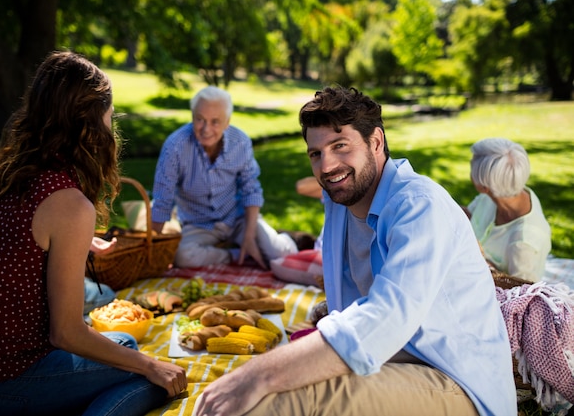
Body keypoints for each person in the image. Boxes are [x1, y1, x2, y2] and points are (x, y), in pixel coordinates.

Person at [193, 86, 516, 416]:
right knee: (283, 379)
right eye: (316, 153)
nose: (327, 165)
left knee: (279, 396)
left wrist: (257, 374)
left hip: (456, 381)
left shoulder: (420, 207)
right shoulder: (341, 203)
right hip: (394, 362)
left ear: (375, 142)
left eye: (340, 146)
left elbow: (387, 317)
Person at [0, 51, 186, 416]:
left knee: (123, 347)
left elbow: (20, 241)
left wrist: (76, 243)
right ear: (92, 122)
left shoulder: (13, 173)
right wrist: (152, 366)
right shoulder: (70, 204)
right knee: (139, 366)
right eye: (109, 113)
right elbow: (66, 333)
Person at [151, 86, 298, 269]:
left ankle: (276, 241)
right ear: (192, 116)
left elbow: (251, 189)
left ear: (227, 122)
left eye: (215, 122)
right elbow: (162, 199)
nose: (206, 129)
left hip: (238, 219)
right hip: (198, 224)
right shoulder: (175, 146)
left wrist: (249, 236)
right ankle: (235, 254)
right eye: (200, 120)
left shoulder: (240, 142)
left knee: (282, 255)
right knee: (182, 257)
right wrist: (150, 248)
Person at [464, 137, 551, 282]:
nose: (470, 166)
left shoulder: (524, 243)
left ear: (484, 187)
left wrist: (485, 264)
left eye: (471, 165)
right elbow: (470, 214)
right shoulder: (499, 192)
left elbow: (520, 291)